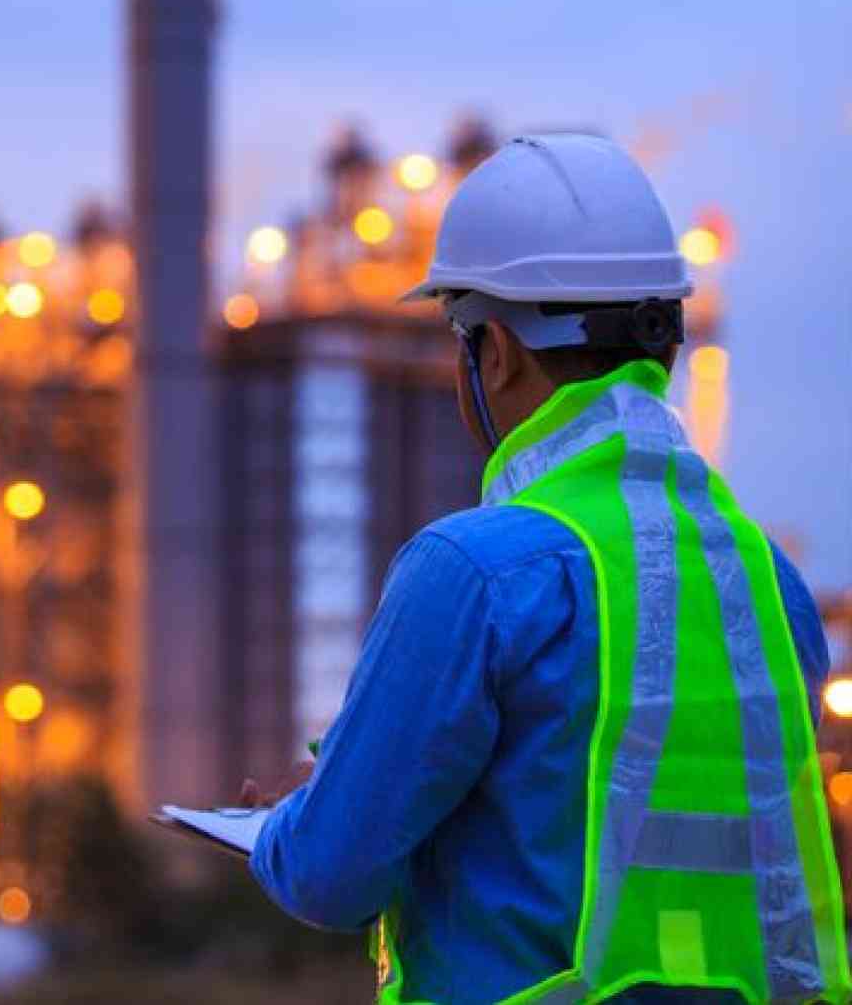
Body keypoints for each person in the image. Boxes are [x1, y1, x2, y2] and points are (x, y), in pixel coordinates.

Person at [246, 133, 849, 1003]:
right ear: (666, 349)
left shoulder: (473, 575)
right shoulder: (769, 586)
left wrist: (290, 825)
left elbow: (328, 877)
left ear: (494, 353)